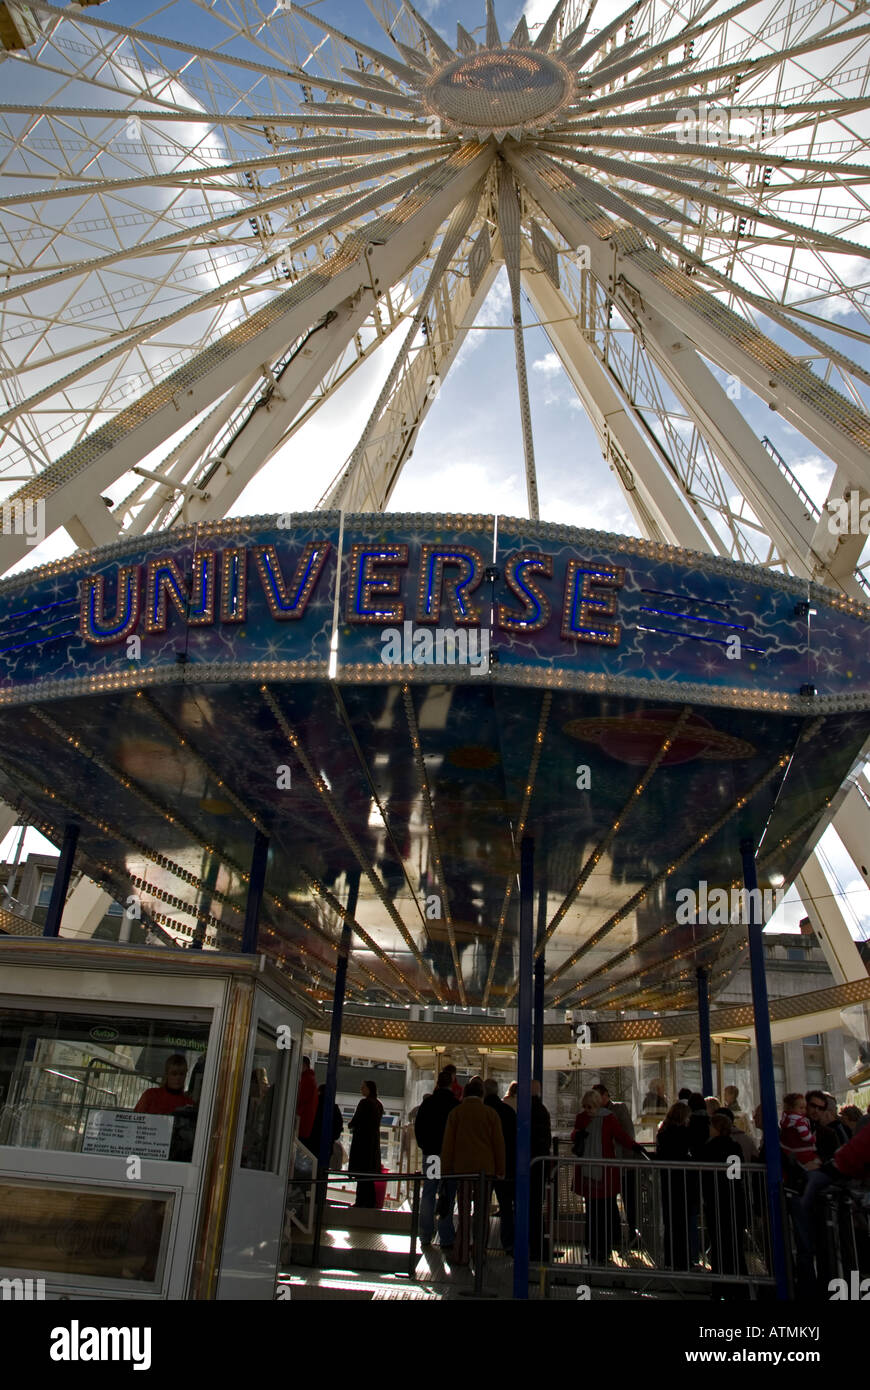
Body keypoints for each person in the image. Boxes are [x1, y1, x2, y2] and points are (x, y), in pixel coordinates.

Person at [571, 1090, 640, 1265]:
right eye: (585, 1107)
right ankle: (595, 1248)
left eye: (590, 1107)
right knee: (594, 1212)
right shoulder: (591, 1118)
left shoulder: (607, 1118)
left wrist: (634, 1146)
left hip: (600, 1171)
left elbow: (620, 1135)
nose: (588, 1110)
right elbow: (619, 1136)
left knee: (601, 1212)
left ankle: (601, 1248)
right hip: (596, 1170)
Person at [441, 1077, 505, 1265]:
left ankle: (460, 1253)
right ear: (482, 1094)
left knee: (463, 1213)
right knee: (482, 1212)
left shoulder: (456, 1113)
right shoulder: (490, 1114)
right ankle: (479, 1253)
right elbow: (498, 1144)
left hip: (463, 1171)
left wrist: (446, 1170)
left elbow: (448, 1145)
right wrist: (500, 1168)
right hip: (486, 1171)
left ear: (464, 1094)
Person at [701, 1113, 748, 1296]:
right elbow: (737, 1173)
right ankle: (739, 1284)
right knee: (735, 1245)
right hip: (733, 1197)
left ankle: (720, 1285)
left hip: (716, 1199)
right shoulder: (734, 1146)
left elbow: (705, 1173)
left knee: (719, 1243)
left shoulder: (710, 1147)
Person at [415, 1069, 460, 1250]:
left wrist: (425, 1146)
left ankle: (425, 1234)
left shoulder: (428, 1103)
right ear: (451, 1083)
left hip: (432, 1153)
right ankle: (446, 1236)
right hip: (449, 1156)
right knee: (448, 1194)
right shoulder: (455, 1105)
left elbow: (419, 1127)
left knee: (429, 1192)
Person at [593, 1082, 638, 1244]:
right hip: (609, 1165)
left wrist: (627, 1159)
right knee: (611, 1202)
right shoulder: (597, 1112)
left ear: (606, 1096)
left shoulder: (618, 1109)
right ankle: (616, 1236)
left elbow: (627, 1133)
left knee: (628, 1201)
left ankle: (631, 1235)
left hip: (621, 1163)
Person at [656, 1101, 691, 1270]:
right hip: (681, 1179)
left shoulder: (663, 1132)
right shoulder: (683, 1133)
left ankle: (670, 1258)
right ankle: (681, 1260)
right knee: (680, 1221)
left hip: (667, 1178)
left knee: (670, 1221)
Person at [483, 1077, 516, 1253]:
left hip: (484, 1166)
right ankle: (508, 1242)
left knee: (481, 1205)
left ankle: (480, 1242)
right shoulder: (508, 1112)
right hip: (505, 1165)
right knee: (506, 1205)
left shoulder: (482, 1112)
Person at [348, 1079, 383, 1208]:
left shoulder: (364, 1103)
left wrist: (350, 1125)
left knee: (361, 1172)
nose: (361, 1089)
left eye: (363, 1087)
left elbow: (356, 1120)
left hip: (362, 1142)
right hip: (373, 1143)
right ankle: (370, 1201)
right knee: (368, 1174)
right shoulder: (378, 1104)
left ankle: (361, 1201)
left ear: (369, 1089)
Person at [530, 1080, 552, 1261]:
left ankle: (534, 1247)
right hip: (539, 1165)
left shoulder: (526, 1110)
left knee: (532, 1207)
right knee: (536, 1206)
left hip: (531, 1166)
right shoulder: (542, 1110)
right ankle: (540, 1248)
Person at [806, 1090, 850, 1161]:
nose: (816, 1110)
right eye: (813, 1106)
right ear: (806, 1105)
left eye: (821, 1108)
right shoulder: (795, 1126)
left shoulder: (828, 1133)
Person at [780, 1093, 819, 1171]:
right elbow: (805, 1135)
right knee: (817, 1160)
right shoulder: (799, 1121)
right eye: (801, 1108)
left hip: (789, 1150)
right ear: (791, 1108)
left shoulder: (787, 1121)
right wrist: (813, 1138)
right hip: (803, 1150)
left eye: (805, 1108)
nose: (804, 1111)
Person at [309, 1084, 344, 1169]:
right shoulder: (334, 1107)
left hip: (311, 1141)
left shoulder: (314, 1104)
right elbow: (338, 1125)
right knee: (322, 1169)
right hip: (327, 1144)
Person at [295, 1055, 318, 1148]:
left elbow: (300, 1099)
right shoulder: (310, 1079)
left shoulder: (307, 1079)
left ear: (304, 1065)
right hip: (305, 1123)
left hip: (301, 1122)